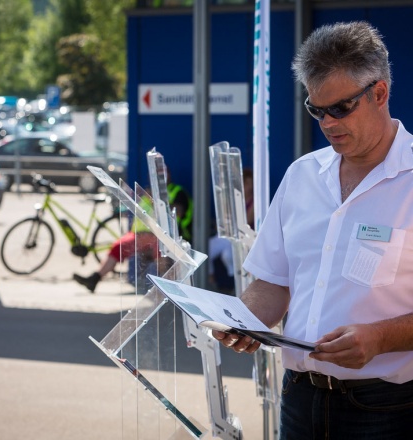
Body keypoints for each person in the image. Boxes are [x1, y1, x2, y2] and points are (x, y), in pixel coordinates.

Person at [213, 21, 413, 439]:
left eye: (340, 108)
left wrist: (380, 338)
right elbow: (273, 283)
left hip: (389, 407)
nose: (327, 123)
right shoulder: (302, 174)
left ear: (379, 93)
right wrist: (241, 320)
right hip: (300, 399)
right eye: (316, 110)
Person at [73, 172, 193, 293]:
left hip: (162, 237)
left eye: (162, 174)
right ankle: (95, 278)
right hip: (138, 236)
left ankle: (171, 288)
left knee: (160, 250)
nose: (158, 178)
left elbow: (178, 213)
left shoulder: (177, 192)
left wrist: (155, 202)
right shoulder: (146, 193)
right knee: (117, 247)